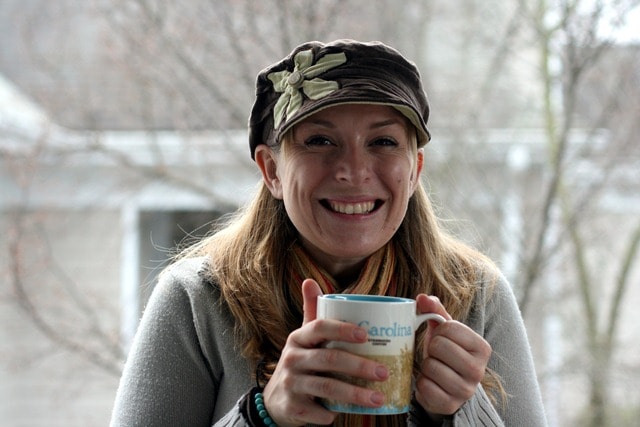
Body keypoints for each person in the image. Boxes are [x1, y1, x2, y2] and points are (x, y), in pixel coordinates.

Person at [110, 39, 546, 426]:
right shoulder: (196, 301)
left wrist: (459, 412)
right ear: (272, 170)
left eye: (383, 142)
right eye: (319, 141)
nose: (353, 171)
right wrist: (264, 415)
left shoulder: (477, 297)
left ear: (414, 170)